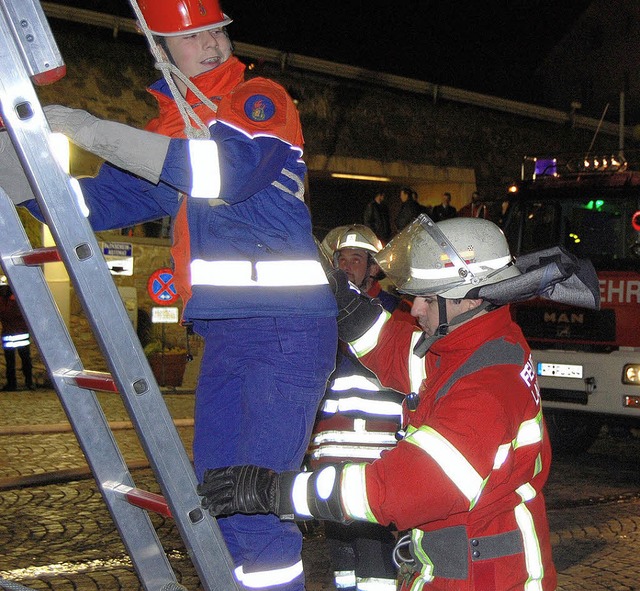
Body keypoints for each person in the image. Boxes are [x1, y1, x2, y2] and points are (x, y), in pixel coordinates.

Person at [2, 1, 338, 589]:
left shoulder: (260, 99)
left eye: (216, 30)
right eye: (192, 35)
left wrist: (90, 129)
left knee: (254, 507)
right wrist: (14, 158)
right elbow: (93, 207)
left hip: (286, 331)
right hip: (227, 335)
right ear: (157, 46)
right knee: (218, 500)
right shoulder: (168, 130)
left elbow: (224, 174)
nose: (210, 44)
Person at [197, 215, 601, 590]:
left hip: (486, 576)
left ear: (473, 297)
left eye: (427, 298)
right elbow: (396, 349)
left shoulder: (487, 386)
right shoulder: (472, 345)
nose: (417, 308)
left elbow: (396, 490)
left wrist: (277, 491)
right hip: (466, 561)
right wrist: (345, 300)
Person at [310, 225, 419, 591]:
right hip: (331, 457)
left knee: (375, 564)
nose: (346, 266)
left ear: (374, 268)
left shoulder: (396, 314)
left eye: (356, 259)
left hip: (377, 461)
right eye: (341, 259)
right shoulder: (321, 316)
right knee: (342, 562)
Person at [0, 280, 34, 392]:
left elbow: (8, 314)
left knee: (24, 360)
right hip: (12, 334)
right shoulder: (13, 299)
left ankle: (27, 382)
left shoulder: (14, 300)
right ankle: (15, 383)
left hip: (17, 333)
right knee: (12, 362)